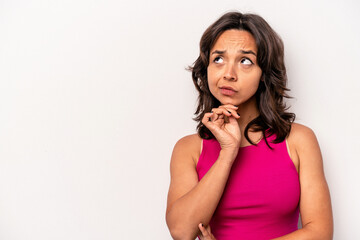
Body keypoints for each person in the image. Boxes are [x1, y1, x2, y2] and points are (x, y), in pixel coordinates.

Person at [165, 11, 333, 240]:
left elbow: (320, 233)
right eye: (218, 59)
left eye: (245, 61)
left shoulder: (298, 140)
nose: (228, 74)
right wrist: (227, 154)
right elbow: (182, 232)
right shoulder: (188, 149)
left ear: (264, 73)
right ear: (206, 68)